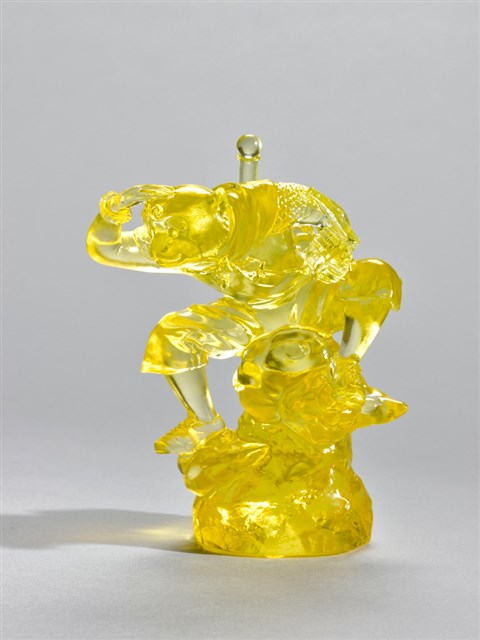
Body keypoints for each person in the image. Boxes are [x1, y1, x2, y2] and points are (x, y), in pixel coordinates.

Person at [87, 180, 402, 452]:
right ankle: (205, 424)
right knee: (171, 334)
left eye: (178, 233)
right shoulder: (175, 248)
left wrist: (331, 244)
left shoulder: (261, 205)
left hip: (311, 299)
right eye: (161, 235)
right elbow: (107, 249)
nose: (166, 247)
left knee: (374, 274)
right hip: (250, 317)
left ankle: (346, 370)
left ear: (218, 213)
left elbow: (319, 209)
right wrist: (113, 211)